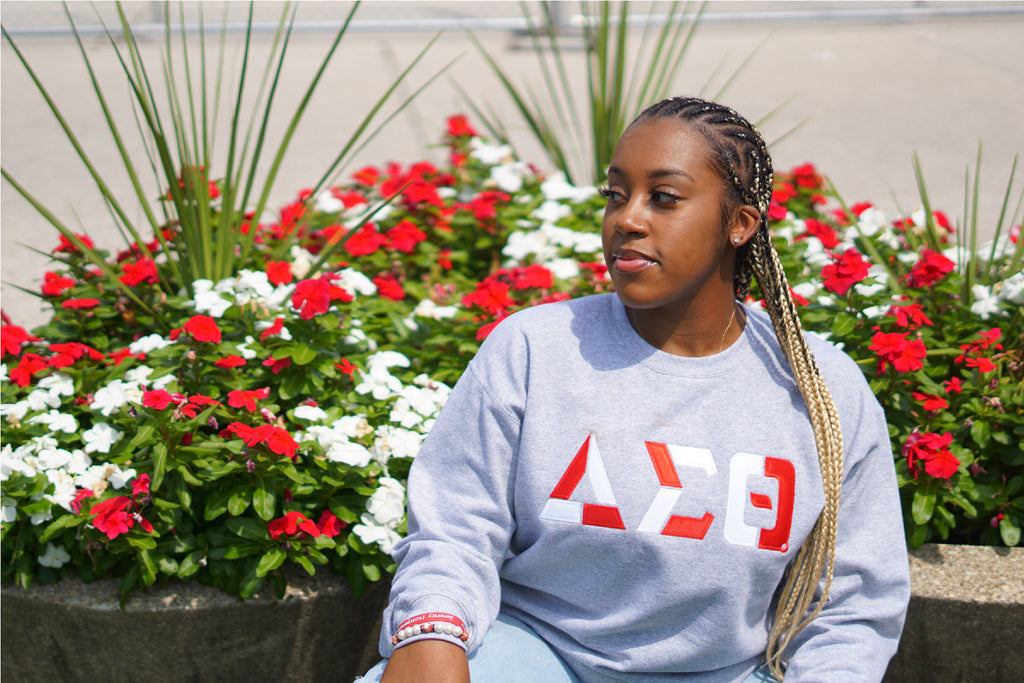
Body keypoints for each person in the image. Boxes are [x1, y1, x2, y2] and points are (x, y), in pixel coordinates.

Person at [357, 96, 910, 682]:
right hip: (538, 654)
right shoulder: (534, 348)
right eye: (616, 195)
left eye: (664, 198)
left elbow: (851, 602)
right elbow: (455, 530)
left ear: (739, 223)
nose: (628, 219)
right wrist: (433, 633)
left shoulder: (822, 389)